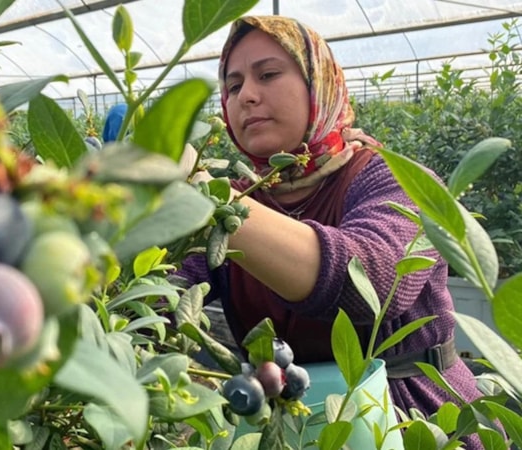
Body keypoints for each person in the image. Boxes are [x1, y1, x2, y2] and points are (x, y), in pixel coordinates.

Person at [178, 15, 484, 447]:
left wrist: (205, 193)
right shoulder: (237, 197)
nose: (246, 95)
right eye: (232, 86)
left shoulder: (394, 179)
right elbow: (163, 286)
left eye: (268, 74)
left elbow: (371, 282)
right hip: (287, 426)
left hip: (418, 421)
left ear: (318, 83)